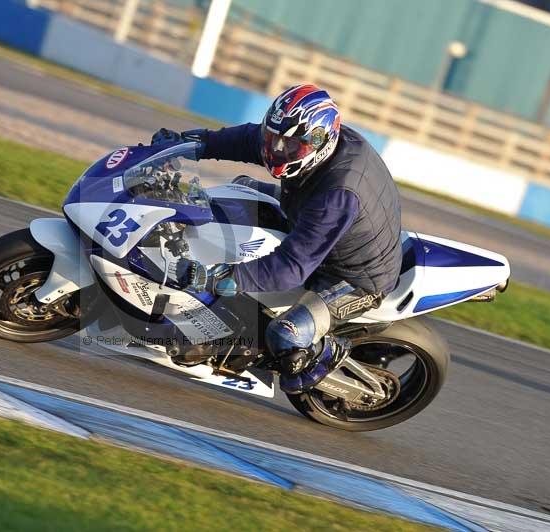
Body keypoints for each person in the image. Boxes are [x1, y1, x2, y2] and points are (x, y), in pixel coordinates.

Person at [158, 84, 402, 394]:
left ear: (318, 143)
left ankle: (325, 354)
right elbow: (249, 140)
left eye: (289, 146)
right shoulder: (310, 142)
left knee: (285, 337)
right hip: (311, 217)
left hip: (354, 277)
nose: (276, 151)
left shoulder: (338, 193)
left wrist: (224, 276)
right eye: (274, 139)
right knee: (240, 191)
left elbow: (291, 267)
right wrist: (191, 143)